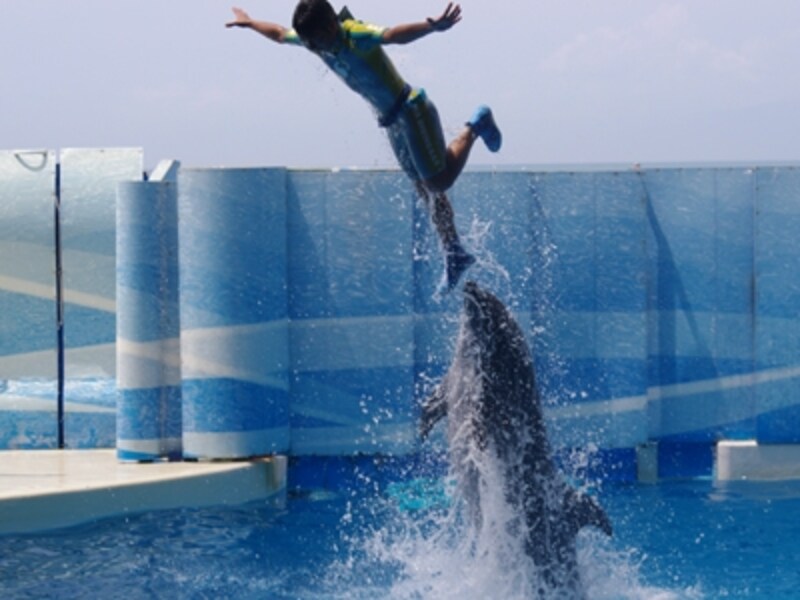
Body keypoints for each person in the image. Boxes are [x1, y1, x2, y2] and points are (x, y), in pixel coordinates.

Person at [226, 1, 502, 291]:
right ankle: (454, 251)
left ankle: (476, 125)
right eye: (307, 42)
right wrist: (250, 22)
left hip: (411, 109)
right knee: (424, 189)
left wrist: (431, 27)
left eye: (314, 40)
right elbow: (281, 34)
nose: (311, 47)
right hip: (391, 121)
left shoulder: (354, 34)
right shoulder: (316, 40)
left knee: (438, 181)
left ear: (331, 26)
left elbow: (393, 34)